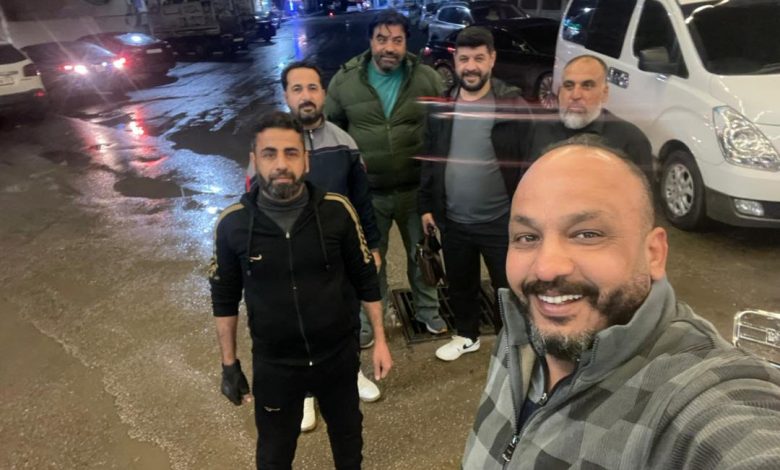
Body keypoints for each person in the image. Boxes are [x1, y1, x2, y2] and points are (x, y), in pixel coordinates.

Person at [462, 134, 780, 469]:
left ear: (654, 253)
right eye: (527, 237)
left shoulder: (698, 394)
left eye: (587, 234)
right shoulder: (521, 327)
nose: (545, 268)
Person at [209, 111, 393, 469]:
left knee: (348, 443)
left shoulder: (338, 211)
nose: (281, 164)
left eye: (291, 153)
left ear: (306, 160)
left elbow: (366, 278)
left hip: (338, 357)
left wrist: (381, 340)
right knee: (273, 454)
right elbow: (224, 298)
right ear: (254, 160)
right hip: (275, 366)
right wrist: (229, 364)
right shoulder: (233, 225)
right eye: (270, 154)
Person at [325, 9, 446, 346]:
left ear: (406, 43)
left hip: (415, 189)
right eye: (381, 39)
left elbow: (441, 132)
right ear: (370, 41)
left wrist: (437, 185)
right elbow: (331, 132)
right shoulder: (345, 82)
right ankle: (368, 321)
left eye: (397, 40)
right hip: (369, 194)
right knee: (369, 261)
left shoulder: (426, 79)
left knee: (423, 254)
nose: (389, 47)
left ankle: (428, 310)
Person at [418, 27, 531, 361]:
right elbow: (430, 158)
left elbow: (530, 161)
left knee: (508, 288)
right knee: (460, 284)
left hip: (501, 221)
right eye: (464, 59)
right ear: (455, 61)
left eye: (479, 58)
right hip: (453, 220)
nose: (471, 66)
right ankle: (467, 335)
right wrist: (426, 206)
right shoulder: (442, 107)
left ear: (492, 59)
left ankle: (512, 343)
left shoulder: (512, 104)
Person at [526, 55, 653, 179]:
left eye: (587, 86)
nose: (575, 95)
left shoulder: (631, 141)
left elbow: (642, 192)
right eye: (569, 86)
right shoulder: (539, 129)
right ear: (560, 92)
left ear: (604, 93)